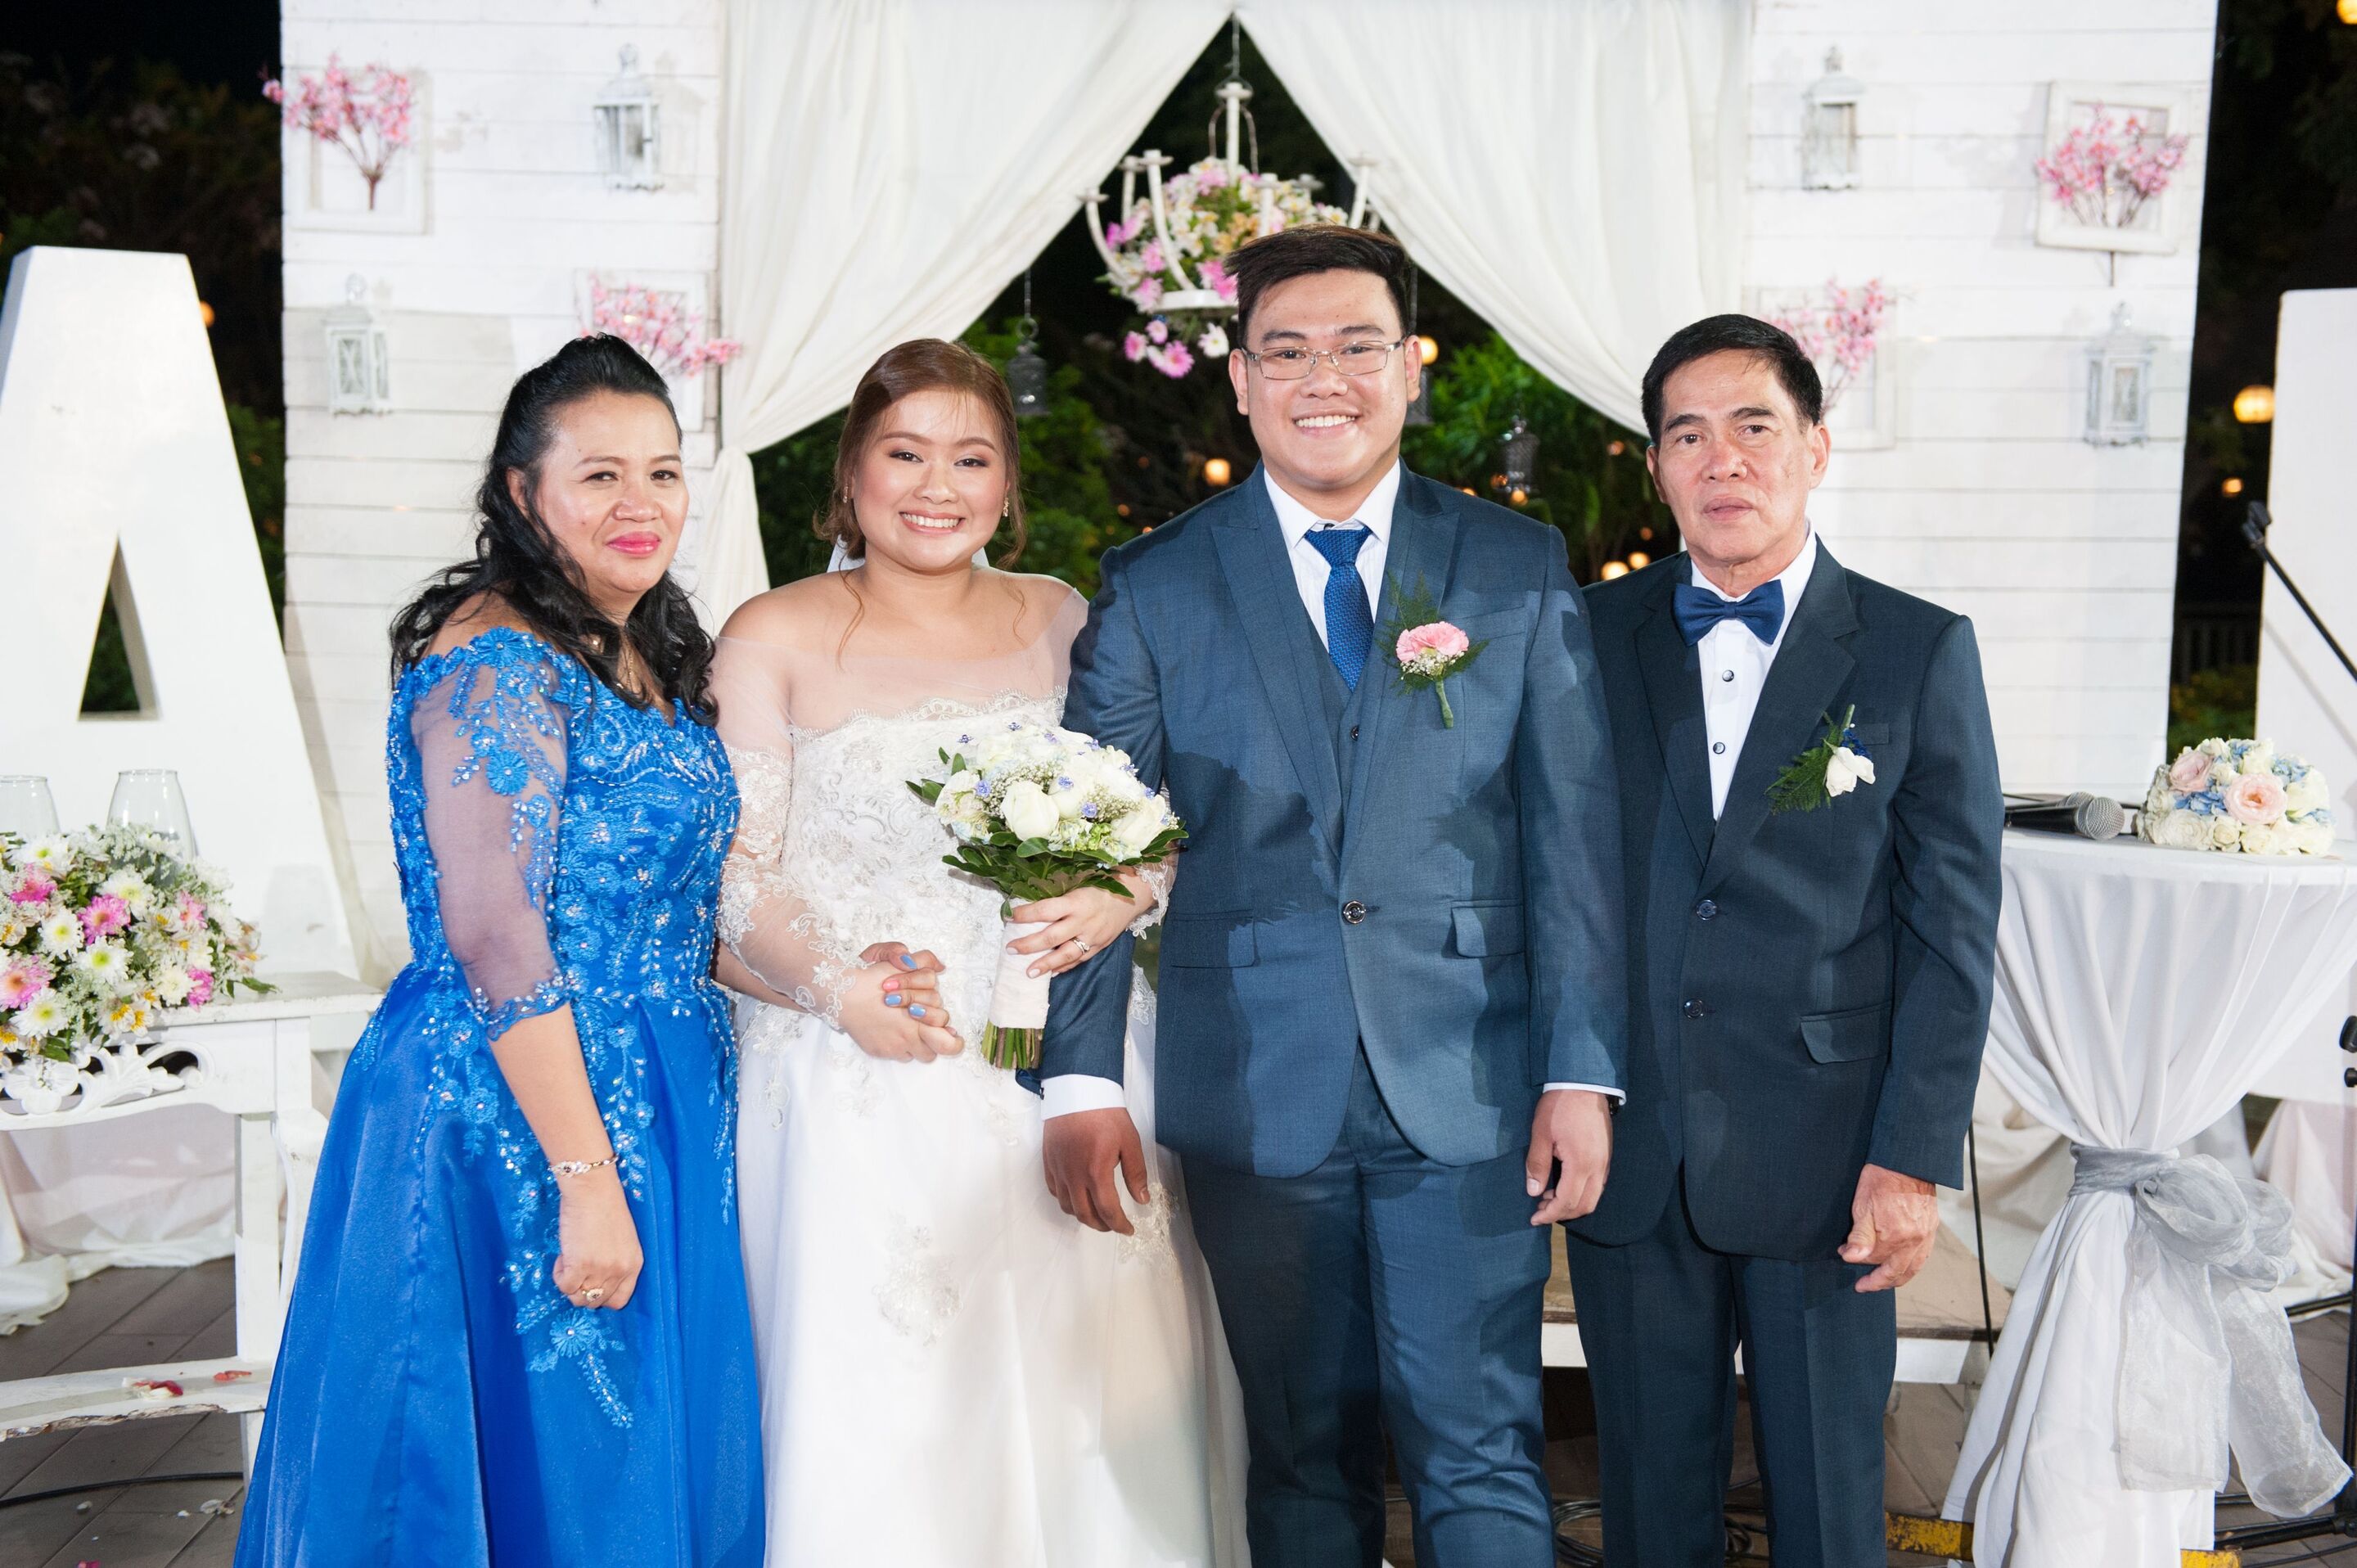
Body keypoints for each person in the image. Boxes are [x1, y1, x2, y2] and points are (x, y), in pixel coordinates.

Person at [1041, 224, 1627, 1567]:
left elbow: (1575, 838)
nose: (1326, 377)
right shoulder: (1155, 581)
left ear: (1410, 369)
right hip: (1253, 1081)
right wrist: (1078, 1081)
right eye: (1287, 350)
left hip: (1471, 1078)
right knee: (1301, 1461)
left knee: (1479, 1446)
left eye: (1359, 346)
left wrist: (1582, 1070)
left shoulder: (1514, 566)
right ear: (1239, 380)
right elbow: (1086, 845)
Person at [710, 338, 1246, 1567]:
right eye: (903, 454)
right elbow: (738, 874)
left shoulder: (1064, 617)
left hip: (1067, 1049)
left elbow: (1151, 822)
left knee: (1099, 1380)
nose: (935, 485)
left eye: (970, 458)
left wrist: (1120, 891)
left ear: (1007, 487)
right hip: (861, 1069)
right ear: (850, 477)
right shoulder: (774, 633)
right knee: (895, 1396)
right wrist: (842, 987)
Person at [237, 336, 764, 1566]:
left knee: (630, 1440)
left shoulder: (642, 647)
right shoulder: (495, 657)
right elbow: (491, 927)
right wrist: (587, 1176)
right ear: (524, 494)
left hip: (661, 1076)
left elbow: (678, 901)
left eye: (665, 473)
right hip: (521, 1107)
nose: (642, 505)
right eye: (600, 478)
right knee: (559, 1449)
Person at [1560, 314, 2003, 1567]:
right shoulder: (1585, 637)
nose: (1723, 459)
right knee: (1651, 1499)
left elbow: (1952, 929)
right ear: (1655, 467)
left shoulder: (1918, 650)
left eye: (1754, 426)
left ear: (1815, 446)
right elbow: (1556, 888)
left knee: (1825, 1502)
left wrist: (1911, 1157)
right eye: (1686, 434)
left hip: (1831, 1155)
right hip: (1632, 1146)